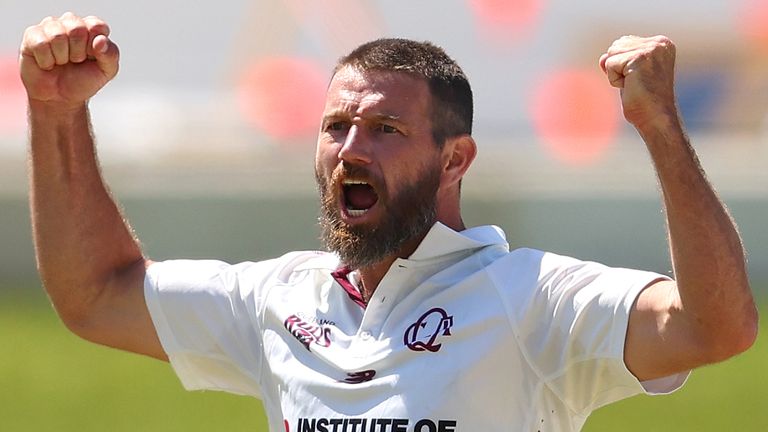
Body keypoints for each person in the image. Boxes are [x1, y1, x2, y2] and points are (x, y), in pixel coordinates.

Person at [21, 12, 757, 432]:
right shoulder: (283, 298)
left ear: (455, 160)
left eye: (385, 131)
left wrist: (663, 130)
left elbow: (716, 328)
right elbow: (95, 294)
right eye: (336, 125)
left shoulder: (531, 297)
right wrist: (57, 113)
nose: (350, 150)